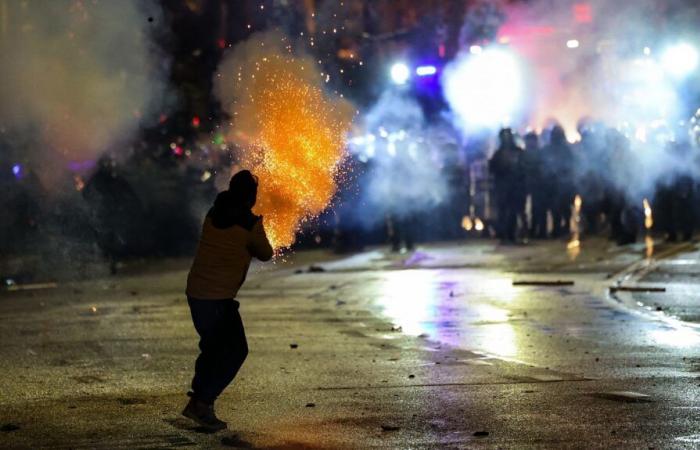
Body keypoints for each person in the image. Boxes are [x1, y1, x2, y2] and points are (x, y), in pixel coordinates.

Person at [182, 170, 273, 431]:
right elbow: (265, 253)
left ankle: (199, 403)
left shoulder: (213, 212)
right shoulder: (249, 223)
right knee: (235, 351)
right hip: (217, 299)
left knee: (212, 349)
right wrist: (258, 228)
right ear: (251, 196)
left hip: (197, 292)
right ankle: (202, 402)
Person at [489, 128, 525, 243]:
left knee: (513, 212)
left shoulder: (518, 152)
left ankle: (511, 234)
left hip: (516, 187)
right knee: (503, 212)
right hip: (503, 187)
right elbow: (492, 168)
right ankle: (503, 235)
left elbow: (525, 169)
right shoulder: (498, 154)